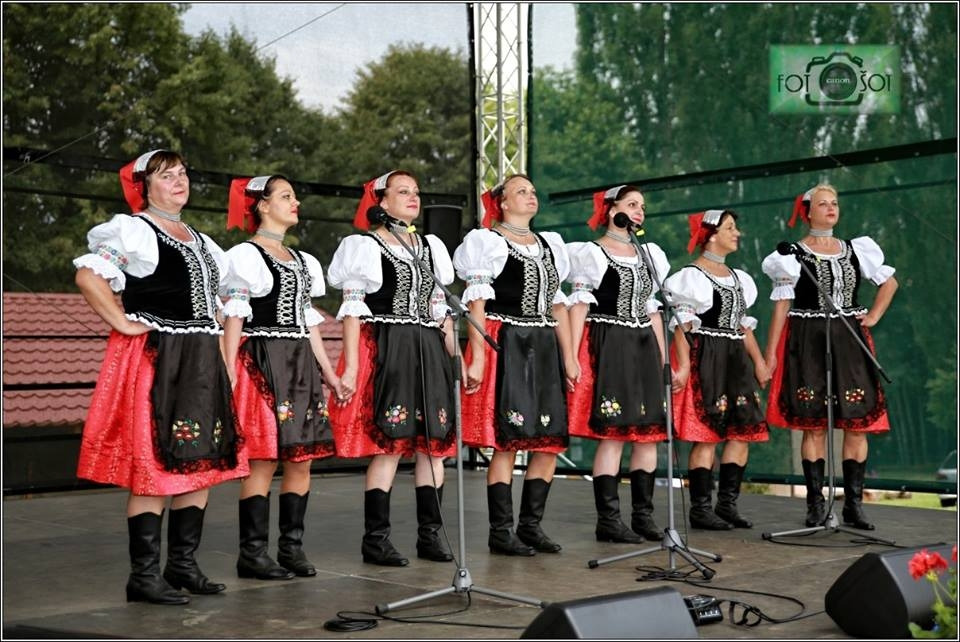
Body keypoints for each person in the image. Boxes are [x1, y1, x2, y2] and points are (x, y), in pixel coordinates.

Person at [73, 149, 246, 605]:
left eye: (182, 173)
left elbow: (225, 305)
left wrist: (226, 362)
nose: (179, 181)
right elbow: (89, 276)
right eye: (167, 176)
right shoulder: (134, 231)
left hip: (202, 360)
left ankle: (182, 565)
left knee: (201, 462)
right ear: (145, 187)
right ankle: (144, 576)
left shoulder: (204, 243)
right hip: (161, 357)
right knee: (154, 465)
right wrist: (122, 321)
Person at [326, 170, 458, 566]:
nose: (413, 197)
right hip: (390, 347)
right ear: (381, 201)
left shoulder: (430, 247)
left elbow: (439, 310)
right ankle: (376, 540)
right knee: (389, 445)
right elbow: (352, 310)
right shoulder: (365, 247)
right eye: (403, 192)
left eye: (416, 191)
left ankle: (430, 536)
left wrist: (456, 356)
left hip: (428, 349)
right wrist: (351, 367)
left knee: (434, 446)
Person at [222, 175, 341, 580]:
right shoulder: (245, 255)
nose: (295, 203)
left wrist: (329, 373)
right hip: (263, 359)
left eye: (294, 197)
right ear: (262, 205)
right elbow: (235, 315)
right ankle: (252, 553)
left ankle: (291, 548)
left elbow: (308, 322)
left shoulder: (304, 261)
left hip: (300, 364)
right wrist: (228, 367)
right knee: (264, 459)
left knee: (301, 460)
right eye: (286, 196)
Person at [453, 174, 579, 556]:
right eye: (521, 191)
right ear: (503, 203)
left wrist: (570, 356)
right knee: (508, 441)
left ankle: (531, 526)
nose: (530, 196)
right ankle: (501, 531)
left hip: (544, 345)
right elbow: (476, 304)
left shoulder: (551, 246)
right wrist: (477, 356)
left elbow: (557, 306)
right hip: (508, 341)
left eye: (533, 191)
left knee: (549, 440)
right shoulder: (488, 243)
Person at [762, 185, 898, 530]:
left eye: (834, 203)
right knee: (814, 425)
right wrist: (770, 354)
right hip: (808, 339)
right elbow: (782, 306)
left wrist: (874, 316)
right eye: (823, 204)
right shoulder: (792, 255)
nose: (831, 208)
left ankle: (854, 504)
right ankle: (816, 503)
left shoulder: (856, 249)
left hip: (850, 339)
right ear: (808, 211)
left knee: (857, 423)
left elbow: (890, 283)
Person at [566, 185, 670, 543]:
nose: (639, 211)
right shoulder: (592, 254)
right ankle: (608, 520)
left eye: (642, 206)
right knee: (613, 435)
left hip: (643, 345)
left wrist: (664, 358)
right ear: (612, 210)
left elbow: (652, 310)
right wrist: (572, 355)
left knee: (648, 434)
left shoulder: (649, 255)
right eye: (632, 204)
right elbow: (579, 306)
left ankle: (643, 516)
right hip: (610, 342)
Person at [664, 209, 770, 531]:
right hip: (707, 356)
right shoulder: (691, 277)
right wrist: (684, 366)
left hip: (736, 360)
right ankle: (700, 508)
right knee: (707, 434)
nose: (736, 233)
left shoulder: (740, 279)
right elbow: (682, 326)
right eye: (730, 228)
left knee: (741, 432)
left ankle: (727, 505)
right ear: (711, 235)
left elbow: (742, 327)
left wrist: (759, 362)